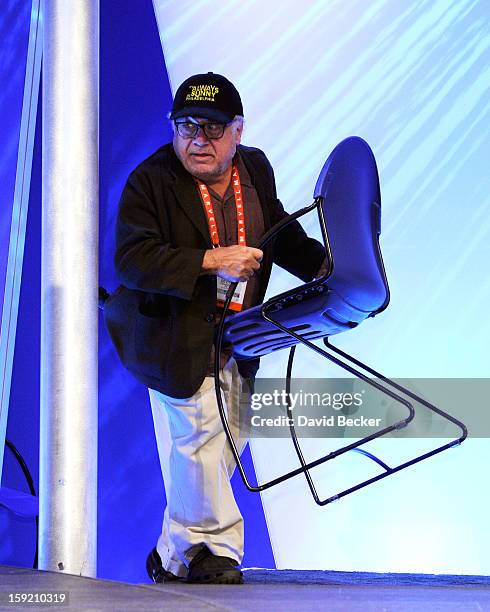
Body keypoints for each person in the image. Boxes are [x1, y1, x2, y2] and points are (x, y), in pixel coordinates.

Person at [104, 72, 326, 584]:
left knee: (224, 447)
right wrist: (210, 260)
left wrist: (323, 268)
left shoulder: (256, 169)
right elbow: (132, 261)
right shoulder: (151, 181)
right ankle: (216, 554)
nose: (197, 141)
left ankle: (171, 553)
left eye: (211, 128)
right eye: (185, 127)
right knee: (199, 439)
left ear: (238, 131)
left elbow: (279, 234)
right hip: (171, 337)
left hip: (237, 335)